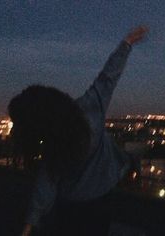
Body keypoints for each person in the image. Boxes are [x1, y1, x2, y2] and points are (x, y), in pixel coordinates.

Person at [8, 26, 148, 236]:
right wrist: (126, 44)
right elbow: (108, 77)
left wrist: (30, 223)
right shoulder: (89, 110)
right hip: (102, 197)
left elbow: (47, 183)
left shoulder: (53, 141)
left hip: (70, 205)